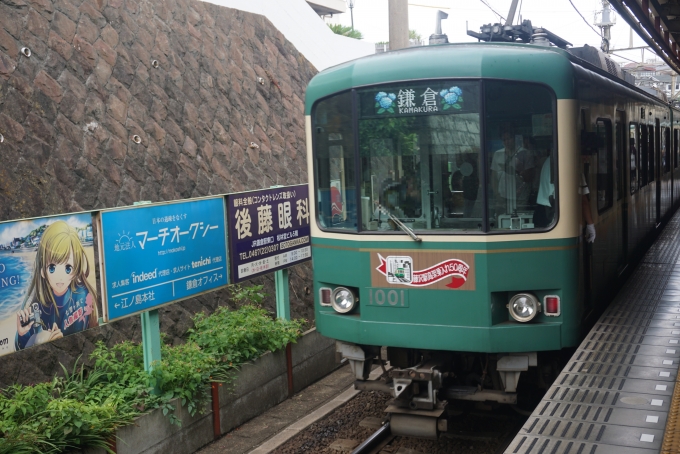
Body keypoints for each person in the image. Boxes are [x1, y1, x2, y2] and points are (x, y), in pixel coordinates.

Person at [15, 221, 98, 350]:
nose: (60, 277)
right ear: (43, 271)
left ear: (76, 269)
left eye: (68, 268)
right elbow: (23, 347)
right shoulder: (38, 306)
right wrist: (23, 335)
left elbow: (92, 333)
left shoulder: (84, 295)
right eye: (52, 268)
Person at [534, 157, 596, 242]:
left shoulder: (548, 160)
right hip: (556, 217)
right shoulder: (570, 163)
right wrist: (590, 225)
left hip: (541, 214)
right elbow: (582, 199)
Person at [491, 128, 535, 216]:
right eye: (504, 139)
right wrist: (497, 194)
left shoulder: (525, 153)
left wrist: (517, 170)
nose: (507, 142)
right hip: (502, 196)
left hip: (521, 196)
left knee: (519, 219)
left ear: (515, 138)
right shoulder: (497, 154)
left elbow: (530, 177)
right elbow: (494, 177)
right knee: (500, 219)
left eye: (509, 139)